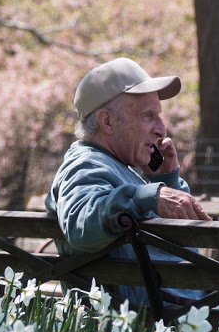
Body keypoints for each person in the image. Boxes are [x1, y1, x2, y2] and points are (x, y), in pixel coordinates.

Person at [47, 58, 210, 308]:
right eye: (149, 116)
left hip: (177, 315)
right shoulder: (86, 164)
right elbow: (81, 224)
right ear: (107, 121)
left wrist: (164, 180)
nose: (162, 130)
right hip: (160, 323)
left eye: (159, 116)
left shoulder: (116, 167)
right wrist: (148, 195)